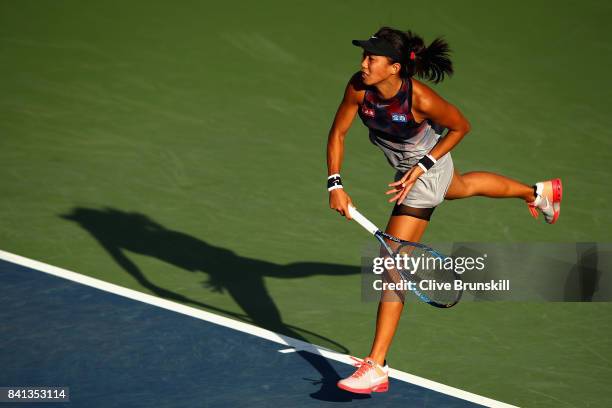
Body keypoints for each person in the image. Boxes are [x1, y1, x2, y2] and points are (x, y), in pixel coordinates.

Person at [326, 26, 562, 394]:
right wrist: (335, 184)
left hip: (423, 172)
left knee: (392, 264)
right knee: (462, 186)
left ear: (395, 68)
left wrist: (421, 167)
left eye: (372, 57)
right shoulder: (358, 86)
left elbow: (461, 126)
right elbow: (338, 133)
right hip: (416, 168)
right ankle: (537, 192)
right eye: (364, 55)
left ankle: (377, 365)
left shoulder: (420, 99)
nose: (363, 63)